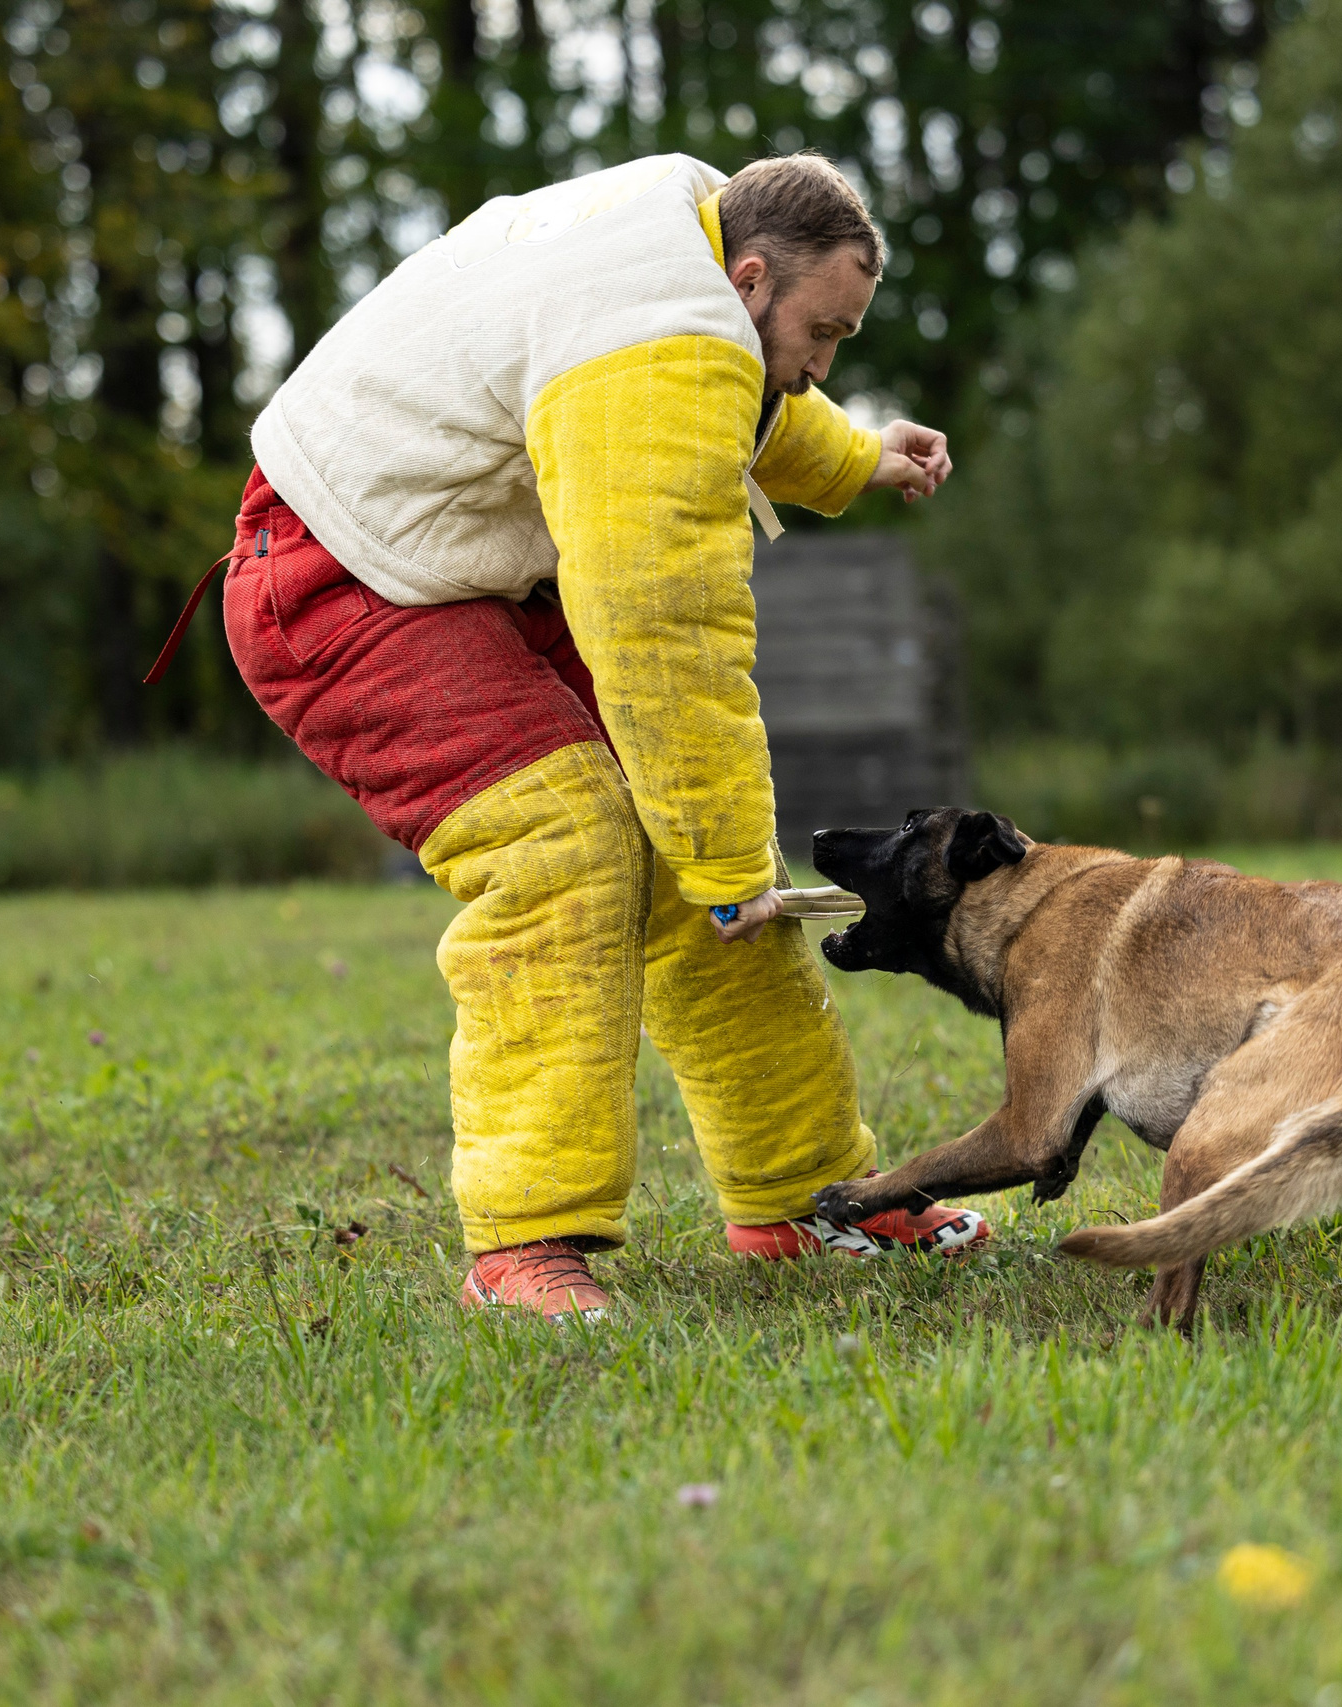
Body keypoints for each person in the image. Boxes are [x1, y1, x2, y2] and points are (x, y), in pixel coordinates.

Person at [213, 151, 983, 1319]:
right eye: (824, 334)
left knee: (708, 870)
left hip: (467, 574)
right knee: (565, 844)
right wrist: (727, 860)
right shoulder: (662, 342)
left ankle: (806, 1200)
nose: (825, 365)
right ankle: (519, 1250)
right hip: (337, 578)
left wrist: (857, 454)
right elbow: (664, 630)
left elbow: (736, 399)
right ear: (750, 277)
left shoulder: (688, 246)